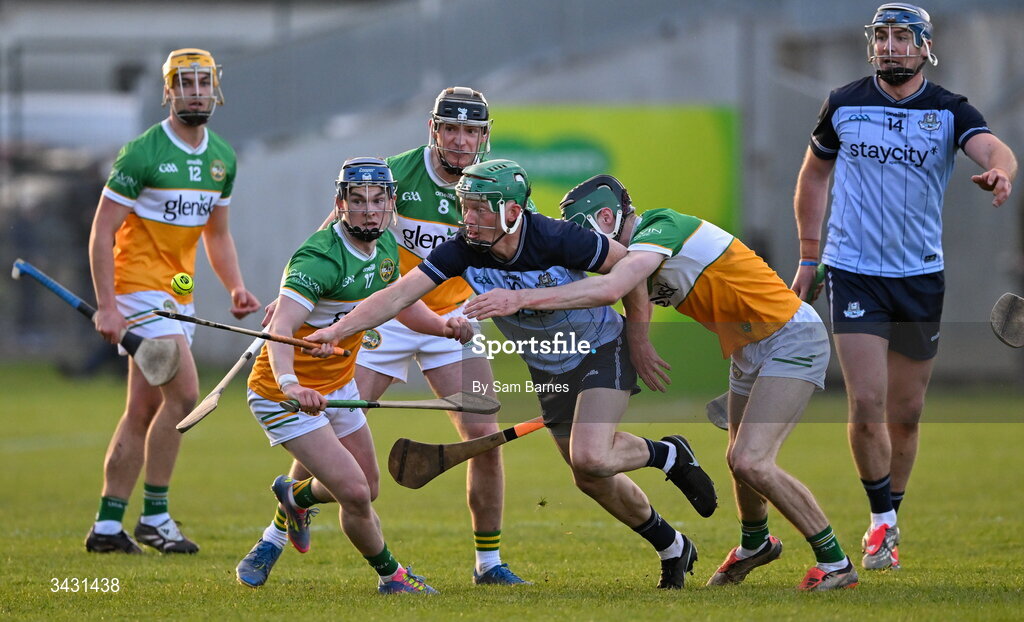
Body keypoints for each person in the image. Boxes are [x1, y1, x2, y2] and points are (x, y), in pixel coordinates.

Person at [306, 160, 718, 590]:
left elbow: (631, 273)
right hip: (547, 366)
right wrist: (335, 331)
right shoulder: (463, 248)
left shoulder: (558, 237)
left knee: (592, 456)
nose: (468, 218)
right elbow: (396, 296)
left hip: (600, 348)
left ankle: (668, 455)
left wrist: (639, 340)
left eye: (479, 209)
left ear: (512, 212)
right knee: (591, 478)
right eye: (465, 206)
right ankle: (672, 545)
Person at [464, 174, 858, 591]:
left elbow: (617, 284)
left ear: (605, 216)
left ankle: (836, 562)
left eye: (584, 233)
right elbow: (629, 292)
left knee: (751, 461)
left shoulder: (660, 227)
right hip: (749, 348)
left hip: (791, 335)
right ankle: (754, 544)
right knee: (737, 460)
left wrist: (521, 299)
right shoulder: (639, 250)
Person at [790, 3, 1017, 571]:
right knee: (866, 402)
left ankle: (894, 510)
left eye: (901, 37)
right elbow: (814, 176)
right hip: (854, 269)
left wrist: (1001, 171)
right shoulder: (843, 104)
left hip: (919, 277)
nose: (890, 46)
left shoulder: (948, 109)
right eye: (882, 37)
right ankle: (881, 523)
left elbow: (992, 146)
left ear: (923, 46)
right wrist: (809, 257)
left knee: (906, 413)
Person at [301, 86, 526, 585]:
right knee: (330, 422)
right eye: (451, 128)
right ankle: (283, 520)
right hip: (388, 318)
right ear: (434, 130)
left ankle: (488, 563)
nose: (461, 140)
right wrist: (296, 293)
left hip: (453, 323)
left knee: (485, 438)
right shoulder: (396, 173)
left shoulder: (492, 184)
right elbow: (332, 235)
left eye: (472, 130)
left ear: (485, 137)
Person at [235, 157, 469, 593]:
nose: (368, 210)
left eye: (378, 200)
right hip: (281, 394)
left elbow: (399, 301)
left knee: (370, 487)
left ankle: (297, 496)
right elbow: (280, 328)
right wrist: (291, 385)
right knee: (356, 493)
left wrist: (444, 327)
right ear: (340, 204)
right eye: (357, 200)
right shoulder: (319, 257)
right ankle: (393, 578)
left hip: (337, 385)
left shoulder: (383, 247)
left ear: (390, 204)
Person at [85, 48, 261, 554]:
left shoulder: (222, 158)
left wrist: (234, 286)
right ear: (169, 91)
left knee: (141, 409)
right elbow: (101, 233)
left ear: (215, 89)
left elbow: (218, 234)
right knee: (186, 395)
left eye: (203, 83)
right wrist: (107, 305)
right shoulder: (141, 152)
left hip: (177, 294)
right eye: (185, 84)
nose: (196, 92)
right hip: (137, 289)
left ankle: (107, 527)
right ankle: (156, 517)